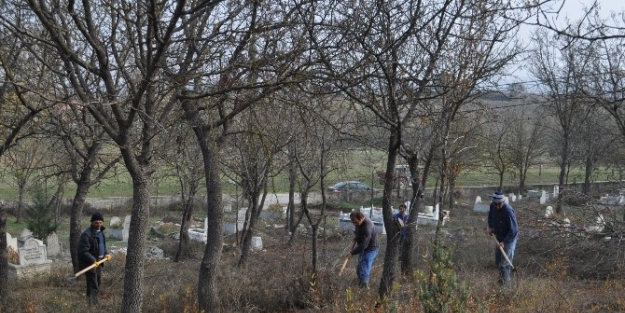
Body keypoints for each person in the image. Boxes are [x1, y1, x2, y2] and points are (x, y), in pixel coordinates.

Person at [488, 191, 518, 287]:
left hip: (509, 239)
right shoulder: (492, 206)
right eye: (495, 204)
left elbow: (514, 230)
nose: (497, 206)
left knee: (505, 264)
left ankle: (506, 288)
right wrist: (491, 227)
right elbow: (490, 218)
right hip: (499, 237)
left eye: (499, 204)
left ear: (503, 202)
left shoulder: (508, 211)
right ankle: (501, 282)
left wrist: (504, 242)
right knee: (498, 262)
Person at [79, 212, 109, 305]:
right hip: (90, 264)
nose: (99, 224)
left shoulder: (101, 232)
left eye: (100, 222)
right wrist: (93, 260)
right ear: (92, 222)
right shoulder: (86, 235)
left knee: (98, 283)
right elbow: (83, 251)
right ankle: (92, 305)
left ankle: (94, 302)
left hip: (99, 262)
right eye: (96, 222)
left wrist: (106, 254)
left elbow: (102, 245)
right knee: (93, 285)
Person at [346, 211, 379, 289]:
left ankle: (365, 287)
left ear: (361, 218)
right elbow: (358, 230)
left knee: (364, 266)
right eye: (353, 222)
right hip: (363, 247)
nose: (355, 224)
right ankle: (360, 282)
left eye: (356, 222)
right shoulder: (358, 222)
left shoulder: (367, 226)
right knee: (359, 268)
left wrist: (352, 252)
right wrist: (357, 236)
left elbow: (365, 244)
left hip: (371, 248)